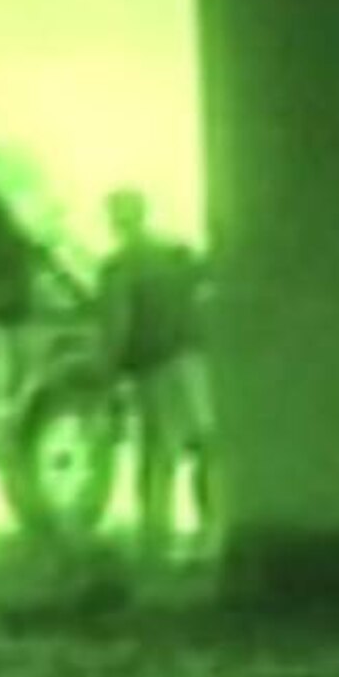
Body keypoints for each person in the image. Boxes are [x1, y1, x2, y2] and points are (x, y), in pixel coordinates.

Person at [96, 187, 216, 565]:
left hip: (154, 367)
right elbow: (206, 292)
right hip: (193, 361)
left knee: (157, 457)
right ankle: (211, 531)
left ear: (117, 220)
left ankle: (155, 538)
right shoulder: (177, 256)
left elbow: (117, 325)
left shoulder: (118, 268)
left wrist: (107, 375)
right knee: (205, 448)